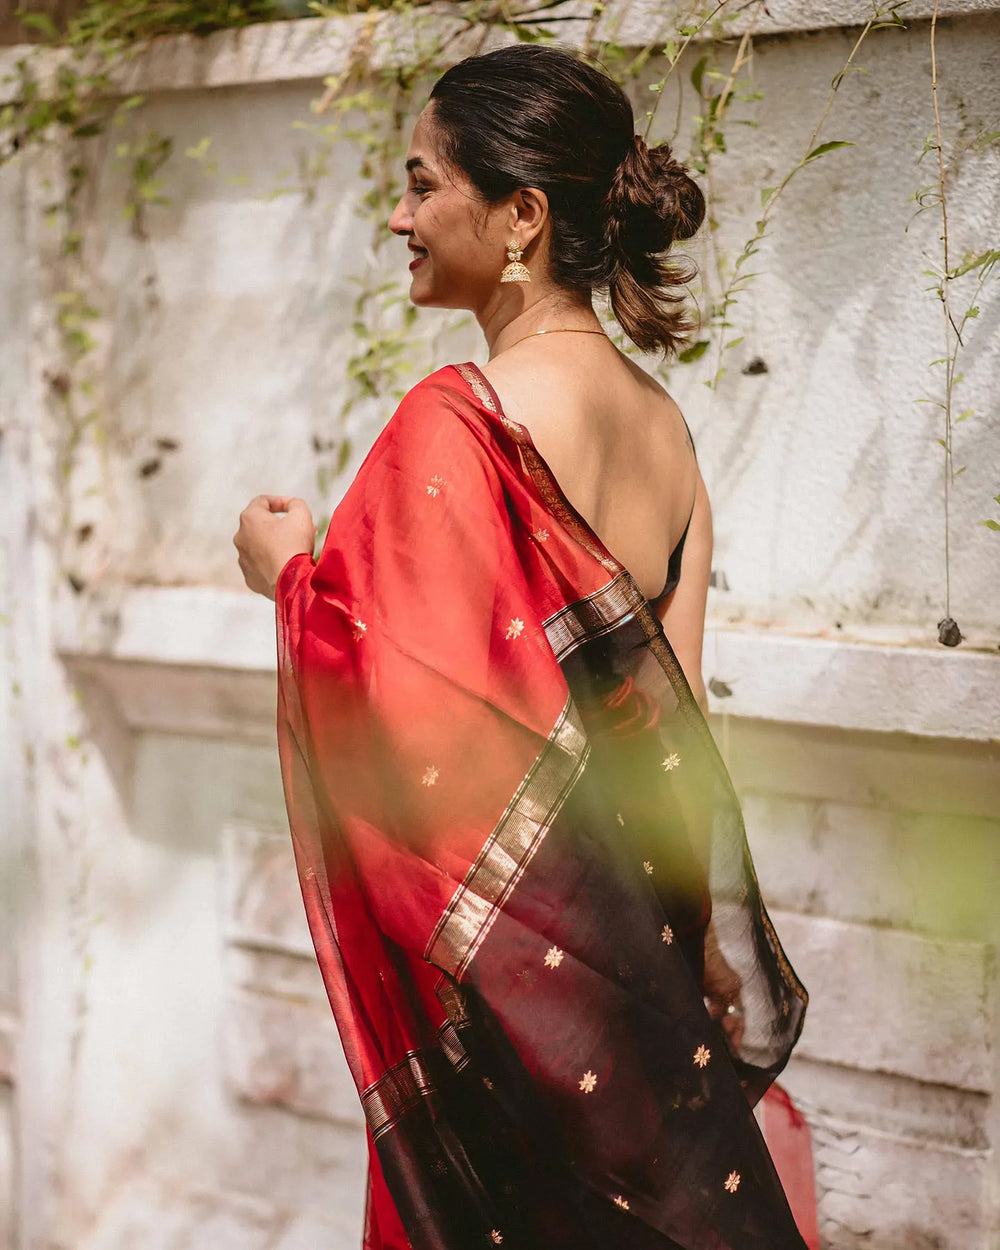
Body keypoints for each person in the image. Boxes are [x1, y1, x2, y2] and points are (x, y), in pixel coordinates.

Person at [234, 43, 809, 1250]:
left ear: (520, 217)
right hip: (636, 956)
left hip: (514, 981)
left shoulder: (462, 421)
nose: (397, 215)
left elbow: (400, 713)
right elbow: (681, 721)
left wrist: (286, 576)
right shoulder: (666, 433)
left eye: (421, 182)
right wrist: (698, 941)